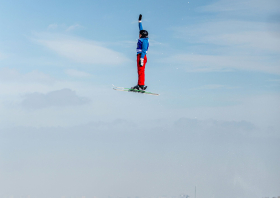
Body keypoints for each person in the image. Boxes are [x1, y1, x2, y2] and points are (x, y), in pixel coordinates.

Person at [131, 14, 149, 90]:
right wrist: (139, 21)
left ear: (142, 35)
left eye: (140, 34)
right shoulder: (143, 38)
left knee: (141, 71)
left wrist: (141, 59)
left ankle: (141, 85)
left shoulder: (145, 41)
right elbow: (141, 29)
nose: (139, 35)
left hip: (142, 56)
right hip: (139, 55)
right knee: (139, 71)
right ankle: (139, 84)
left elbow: (144, 50)